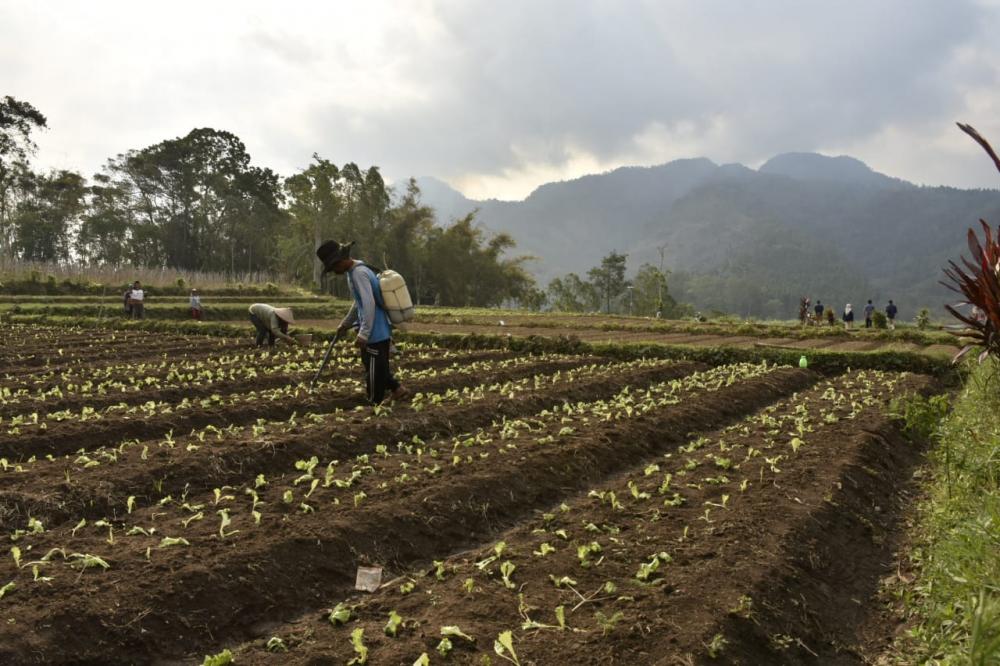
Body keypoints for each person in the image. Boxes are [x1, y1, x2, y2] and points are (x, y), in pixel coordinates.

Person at [316, 239, 408, 405]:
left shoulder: (358, 274)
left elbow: (369, 303)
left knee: (374, 372)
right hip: (377, 330)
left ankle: (374, 405)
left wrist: (364, 333)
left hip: (375, 333)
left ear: (341, 261)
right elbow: (359, 302)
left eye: (334, 267)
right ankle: (397, 389)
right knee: (378, 367)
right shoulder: (355, 271)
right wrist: (346, 323)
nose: (335, 270)